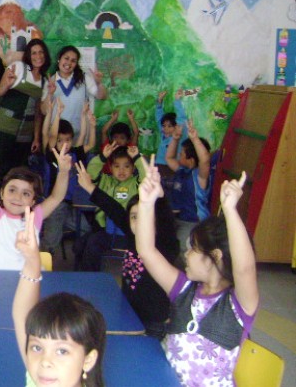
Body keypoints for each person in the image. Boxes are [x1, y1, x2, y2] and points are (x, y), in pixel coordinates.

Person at [136, 157, 258, 386]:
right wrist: (146, 203)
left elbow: (244, 269)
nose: (186, 253)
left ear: (216, 256)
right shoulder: (183, 289)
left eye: (193, 249)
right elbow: (146, 251)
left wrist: (230, 210)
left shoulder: (239, 305)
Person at [75, 161, 179, 338]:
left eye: (145, 216)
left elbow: (166, 223)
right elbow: (113, 208)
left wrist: (159, 198)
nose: (139, 222)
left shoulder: (164, 243)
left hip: (153, 321)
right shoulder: (133, 236)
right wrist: (90, 187)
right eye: (134, 217)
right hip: (128, 312)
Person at [13, 206, 106, 387]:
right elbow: (21, 315)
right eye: (37, 347)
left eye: (62, 351)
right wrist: (32, 261)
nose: (45, 361)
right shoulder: (37, 379)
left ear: (87, 360)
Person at [0, 130, 72, 270]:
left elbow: (57, 197)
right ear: (2, 193)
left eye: (26, 193)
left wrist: (63, 172)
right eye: (12, 190)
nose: (17, 197)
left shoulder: (33, 217)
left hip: (31, 281)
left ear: (33, 201)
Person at [76, 142, 146, 271]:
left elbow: (147, 176)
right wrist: (102, 157)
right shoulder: (105, 181)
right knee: (79, 244)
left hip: (127, 233)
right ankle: (81, 274)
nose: (121, 170)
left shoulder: (137, 183)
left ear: (133, 168)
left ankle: (91, 276)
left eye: (127, 166)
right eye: (116, 166)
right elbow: (90, 173)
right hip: (104, 229)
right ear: (110, 167)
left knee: (93, 244)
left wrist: (137, 158)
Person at [40, 100, 96, 255]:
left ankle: (77, 253)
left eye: (68, 140)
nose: (64, 144)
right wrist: (56, 114)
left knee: (86, 229)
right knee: (51, 241)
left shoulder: (75, 154)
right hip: (55, 204)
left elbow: (90, 143)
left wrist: (91, 124)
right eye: (60, 140)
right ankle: (42, 263)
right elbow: (49, 134)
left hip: (73, 204)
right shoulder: (52, 155)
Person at [0, 39, 51, 182]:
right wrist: (7, 84)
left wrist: (36, 137)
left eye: (41, 52)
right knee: (1, 170)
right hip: (3, 128)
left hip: (25, 134)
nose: (38, 56)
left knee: (19, 171)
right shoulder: (18, 67)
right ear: (28, 55)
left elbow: (38, 113)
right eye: (34, 53)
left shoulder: (45, 82)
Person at [165, 120, 211, 251]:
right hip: (178, 220)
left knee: (184, 249)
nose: (179, 154)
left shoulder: (200, 177)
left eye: (182, 153)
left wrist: (195, 139)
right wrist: (175, 139)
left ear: (190, 160)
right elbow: (169, 158)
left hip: (194, 223)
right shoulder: (181, 171)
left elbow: (205, 159)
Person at [44, 45, 107, 137]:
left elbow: (102, 96)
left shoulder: (83, 78)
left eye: (73, 61)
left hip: (78, 134)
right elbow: (43, 111)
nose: (69, 63)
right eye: (66, 58)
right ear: (59, 59)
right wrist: (50, 94)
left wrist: (98, 84)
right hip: (55, 134)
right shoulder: (50, 81)